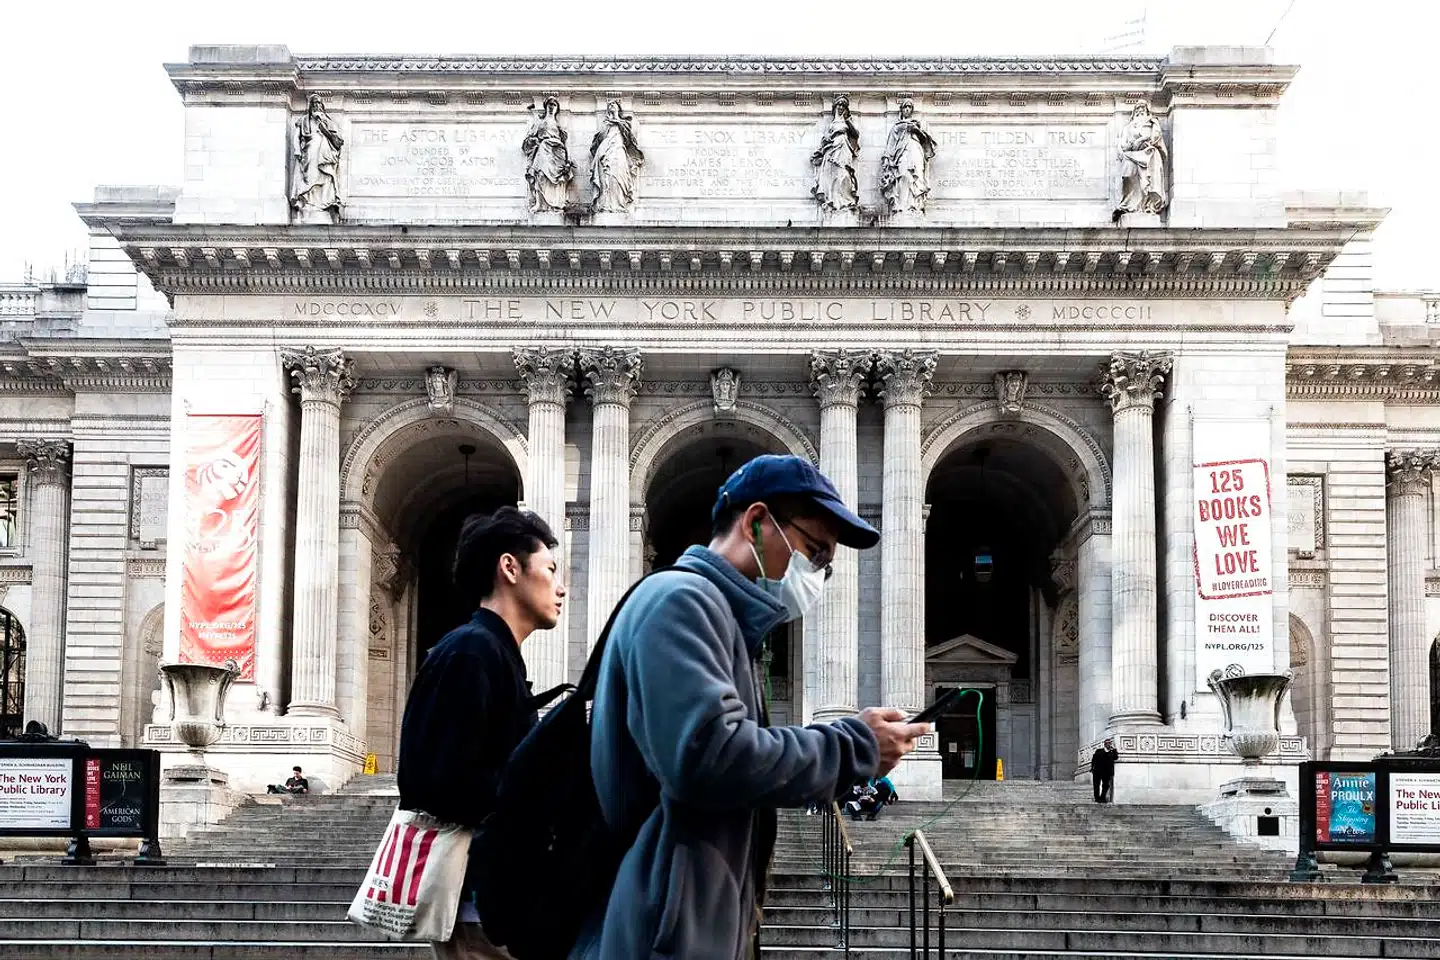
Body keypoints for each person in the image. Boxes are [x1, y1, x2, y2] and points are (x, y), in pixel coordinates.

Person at [572, 454, 932, 960]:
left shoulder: (723, 623)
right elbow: (708, 755)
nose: (817, 575)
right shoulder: (681, 601)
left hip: (687, 924)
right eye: (815, 552)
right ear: (757, 522)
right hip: (661, 931)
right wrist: (854, 745)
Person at [397, 506, 566, 960]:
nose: (561, 587)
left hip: (498, 904)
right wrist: (539, 789)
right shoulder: (470, 652)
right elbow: (432, 782)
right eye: (550, 569)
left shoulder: (491, 653)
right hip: (478, 912)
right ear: (510, 568)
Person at [1092, 738, 1119, 803]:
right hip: (1097, 771)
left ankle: (1102, 798)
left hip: (1107, 772)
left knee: (1106, 785)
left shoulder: (1112, 752)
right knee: (1096, 785)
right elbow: (1094, 760)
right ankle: (1097, 798)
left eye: (1110, 743)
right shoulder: (1099, 751)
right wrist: (1092, 768)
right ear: (1105, 744)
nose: (1109, 744)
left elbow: (1116, 757)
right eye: (1108, 743)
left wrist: (1114, 749)